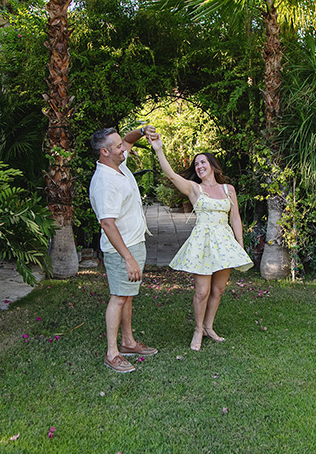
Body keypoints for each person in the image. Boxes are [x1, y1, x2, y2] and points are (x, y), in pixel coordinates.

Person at [148, 131, 252, 351]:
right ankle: (197, 329)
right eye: (196, 164)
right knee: (202, 291)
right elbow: (171, 175)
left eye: (203, 162)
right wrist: (159, 150)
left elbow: (235, 218)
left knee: (219, 289)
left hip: (224, 243)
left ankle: (209, 327)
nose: (199, 166)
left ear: (213, 166)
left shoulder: (228, 190)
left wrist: (239, 245)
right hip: (203, 243)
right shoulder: (194, 189)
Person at [89, 125, 159, 373]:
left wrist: (141, 131)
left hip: (134, 243)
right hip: (122, 250)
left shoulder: (118, 164)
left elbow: (129, 141)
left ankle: (128, 342)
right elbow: (107, 223)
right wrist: (128, 258)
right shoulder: (105, 182)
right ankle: (112, 353)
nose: (124, 148)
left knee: (127, 295)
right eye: (118, 146)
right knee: (118, 298)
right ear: (105, 152)